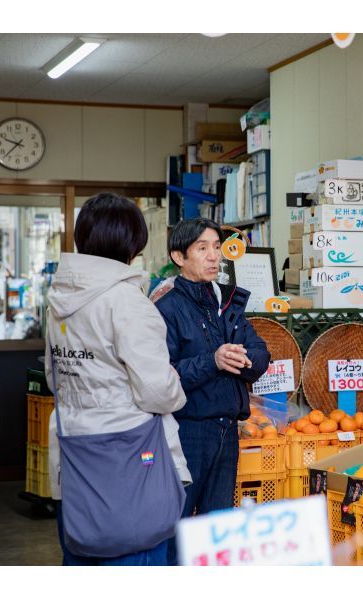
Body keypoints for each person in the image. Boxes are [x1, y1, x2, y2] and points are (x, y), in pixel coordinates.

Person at [44, 192, 191, 566]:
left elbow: (53, 377)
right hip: (128, 453)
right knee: (136, 554)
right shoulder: (126, 301)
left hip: (74, 445)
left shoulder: (59, 300)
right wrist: (175, 384)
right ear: (131, 242)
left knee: (80, 550)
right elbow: (157, 390)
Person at [155, 218, 270, 565]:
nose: (213, 256)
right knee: (176, 526)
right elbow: (164, 376)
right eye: (202, 248)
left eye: (216, 247)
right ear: (179, 256)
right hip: (187, 431)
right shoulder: (166, 307)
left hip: (227, 429)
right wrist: (214, 360)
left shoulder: (227, 303)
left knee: (217, 529)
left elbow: (262, 354)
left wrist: (244, 359)